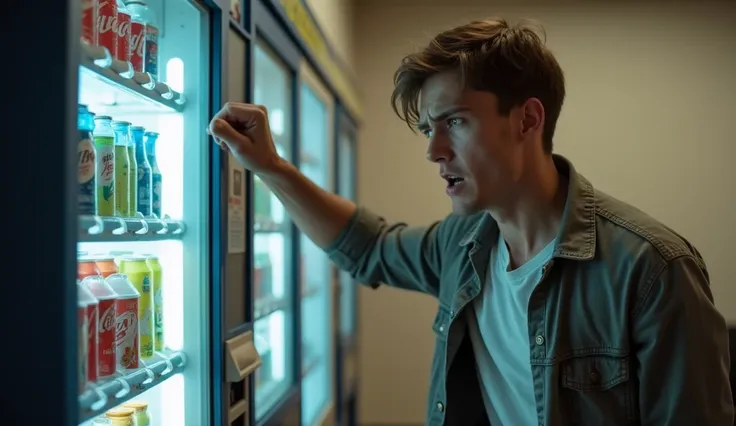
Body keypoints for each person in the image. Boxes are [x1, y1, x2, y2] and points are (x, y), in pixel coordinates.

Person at [209, 18, 734, 426]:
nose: (434, 151)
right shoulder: (465, 243)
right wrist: (270, 167)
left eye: (455, 122)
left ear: (528, 119)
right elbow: (368, 247)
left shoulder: (651, 270)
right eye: (427, 129)